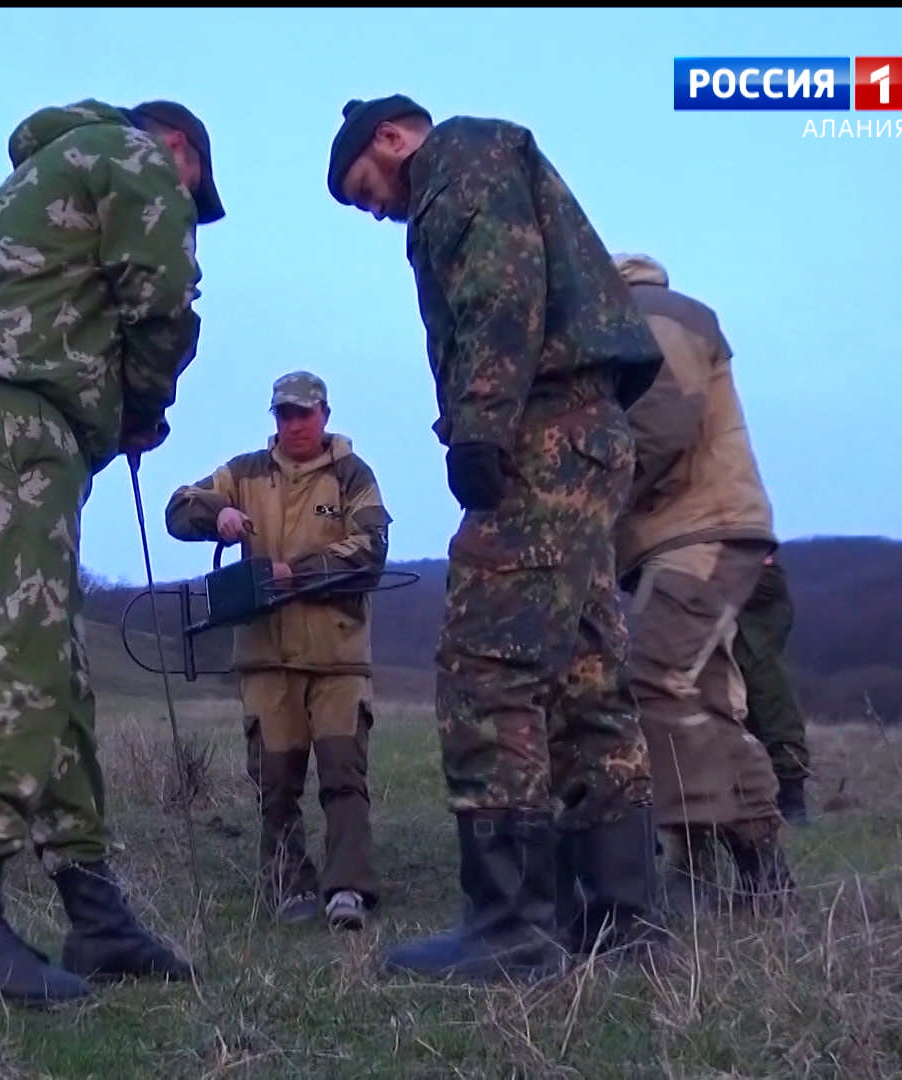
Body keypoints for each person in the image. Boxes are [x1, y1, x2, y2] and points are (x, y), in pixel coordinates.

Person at [327, 93, 668, 982]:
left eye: (368, 190)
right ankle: (621, 916)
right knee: (588, 672)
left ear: (391, 140)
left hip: (540, 435)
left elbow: (499, 289)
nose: (377, 212)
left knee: (487, 665)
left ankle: (512, 927)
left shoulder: (461, 161)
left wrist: (479, 425)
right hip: (584, 434)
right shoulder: (490, 161)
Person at [0, 98, 224, 1006]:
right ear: (179, 151)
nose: (184, 202)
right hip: (13, 418)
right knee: (17, 657)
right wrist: (144, 401)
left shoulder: (44, 173)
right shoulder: (132, 154)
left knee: (57, 670)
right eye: (192, 188)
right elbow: (162, 296)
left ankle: (95, 914)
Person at [163, 371, 392, 932]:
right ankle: (289, 884)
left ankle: (348, 890)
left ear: (325, 415)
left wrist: (300, 573)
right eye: (284, 415)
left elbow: (371, 550)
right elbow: (178, 507)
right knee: (275, 781)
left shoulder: (352, 475)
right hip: (266, 659)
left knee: (343, 776)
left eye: (303, 414)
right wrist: (216, 515)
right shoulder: (243, 472)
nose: (293, 425)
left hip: (337, 657)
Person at [609, 251, 797, 915]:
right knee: (709, 698)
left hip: (700, 530)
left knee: (658, 679)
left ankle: (695, 865)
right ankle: (763, 868)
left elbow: (660, 423)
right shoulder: (645, 315)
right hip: (692, 531)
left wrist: (590, 510)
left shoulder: (650, 314)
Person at [734, 551, 813, 825]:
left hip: (758, 654)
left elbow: (767, 582)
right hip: (721, 657)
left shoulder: (761, 571)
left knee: (777, 719)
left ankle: (792, 801)